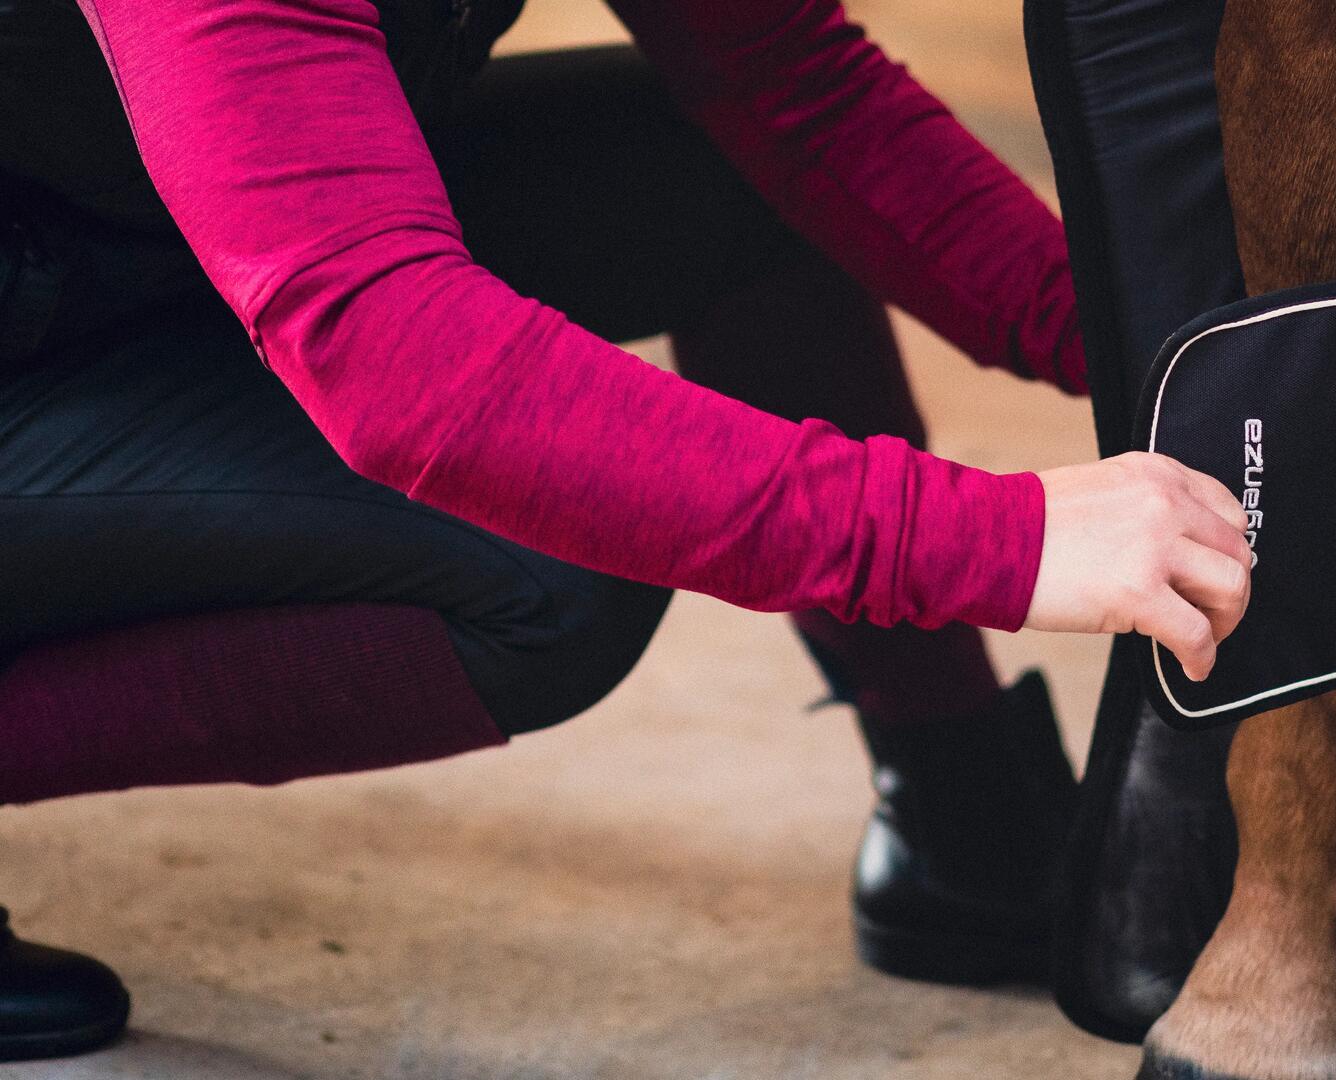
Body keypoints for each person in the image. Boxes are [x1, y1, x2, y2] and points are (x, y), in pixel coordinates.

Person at [0, 0, 1253, 1061]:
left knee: (740, 175)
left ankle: (966, 819)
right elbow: (394, 355)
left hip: (138, 239)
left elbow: (797, 96)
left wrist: (1206, 365)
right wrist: (1004, 543)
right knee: (541, 578)